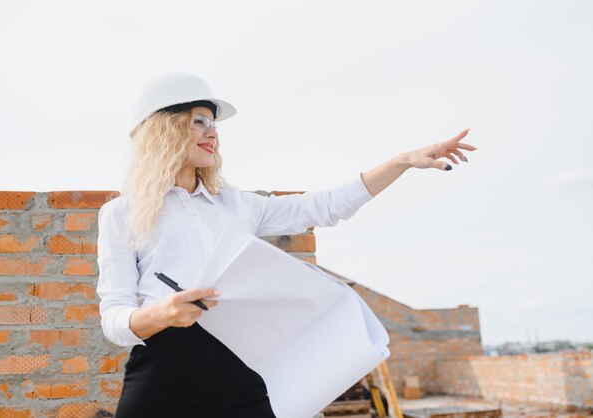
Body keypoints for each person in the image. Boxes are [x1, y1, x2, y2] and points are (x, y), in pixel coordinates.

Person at [96, 72, 477, 418]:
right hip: (164, 373)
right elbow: (114, 316)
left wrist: (402, 162)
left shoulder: (237, 204)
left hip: (243, 371)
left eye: (214, 125)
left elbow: (324, 206)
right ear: (164, 127)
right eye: (200, 121)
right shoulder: (120, 214)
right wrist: (160, 315)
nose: (213, 133)